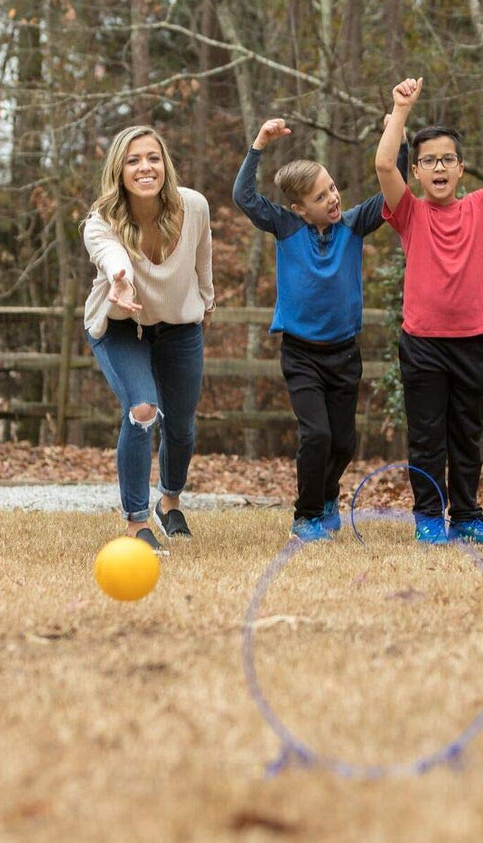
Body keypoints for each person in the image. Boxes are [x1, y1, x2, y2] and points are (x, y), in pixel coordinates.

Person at [373, 77, 483, 545]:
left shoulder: (482, 207)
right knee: (427, 437)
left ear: (461, 169)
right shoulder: (408, 212)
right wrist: (400, 109)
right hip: (422, 344)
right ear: (418, 172)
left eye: (447, 159)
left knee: (466, 435)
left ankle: (467, 516)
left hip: (474, 341)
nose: (438, 167)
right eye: (428, 161)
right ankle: (428, 517)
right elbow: (385, 163)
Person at [231, 118, 408, 543]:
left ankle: (328, 496)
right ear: (298, 207)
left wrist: (397, 131)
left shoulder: (354, 223)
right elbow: (244, 196)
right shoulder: (286, 227)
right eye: (319, 196)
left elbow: (393, 186)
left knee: (344, 442)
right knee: (317, 434)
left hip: (345, 354)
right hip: (302, 354)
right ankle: (306, 515)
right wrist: (258, 144)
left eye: (331, 189)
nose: (332, 198)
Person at [83, 125, 214, 555]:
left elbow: (202, 257)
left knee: (181, 424)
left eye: (153, 158)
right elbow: (112, 257)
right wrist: (120, 282)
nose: (145, 167)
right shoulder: (101, 222)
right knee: (142, 410)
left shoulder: (193, 206)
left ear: (165, 164)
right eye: (134, 160)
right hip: (120, 325)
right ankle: (136, 521)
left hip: (178, 326)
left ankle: (169, 502)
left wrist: (206, 303)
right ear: (119, 171)